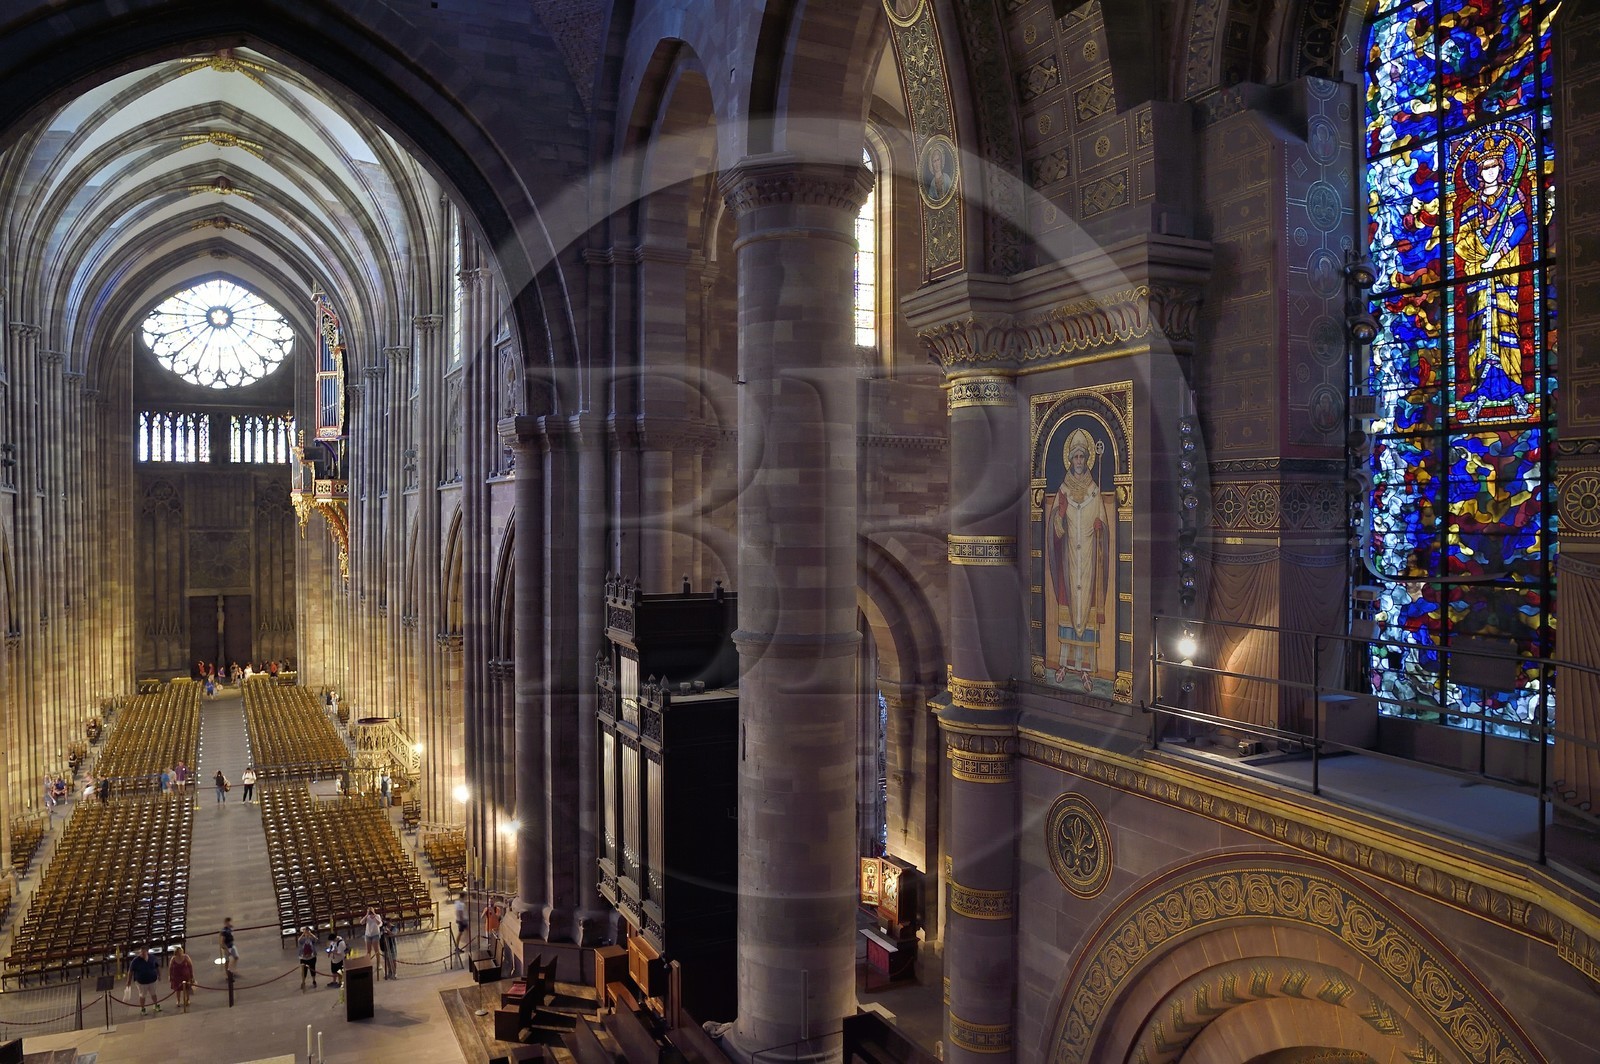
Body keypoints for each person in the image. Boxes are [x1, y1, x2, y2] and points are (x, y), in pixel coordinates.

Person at [1456, 128, 1533, 420]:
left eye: (1494, 167)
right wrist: (1481, 253)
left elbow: (1522, 227)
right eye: (1484, 168)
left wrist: (1499, 253)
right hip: (1478, 275)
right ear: (1478, 173)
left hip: (1502, 271)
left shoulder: (1510, 197)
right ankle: (1480, 391)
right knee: (1479, 333)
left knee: (1505, 328)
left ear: (1502, 169)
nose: (1489, 172)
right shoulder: (1468, 205)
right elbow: (1463, 240)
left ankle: (1514, 390)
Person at [1045, 427, 1115, 691]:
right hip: (1068, 563)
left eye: (1082, 458)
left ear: (1087, 460)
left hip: (1087, 561)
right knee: (1068, 609)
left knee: (1087, 611)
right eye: (1074, 457)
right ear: (1070, 460)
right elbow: (1056, 531)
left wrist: (1101, 528)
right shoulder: (1062, 491)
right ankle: (1063, 664)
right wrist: (1059, 517)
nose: (1078, 462)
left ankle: (1086, 670)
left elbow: (1104, 526)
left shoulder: (1095, 492)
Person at [127, 947, 161, 1014]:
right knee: (142, 995)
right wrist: (128, 981)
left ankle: (156, 1005)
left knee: (153, 993)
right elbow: (130, 971)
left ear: (147, 952)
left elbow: (157, 967)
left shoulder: (152, 958)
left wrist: (159, 975)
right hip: (141, 982)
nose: (142, 954)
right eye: (141, 952)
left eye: (143, 952)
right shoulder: (135, 961)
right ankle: (142, 1008)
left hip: (152, 980)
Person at [169, 944, 194, 1012]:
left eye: (180, 951)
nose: (180, 953)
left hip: (185, 976)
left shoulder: (186, 957)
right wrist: (170, 976)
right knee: (178, 990)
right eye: (178, 952)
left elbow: (190, 966)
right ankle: (178, 1000)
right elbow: (170, 968)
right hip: (177, 976)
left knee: (186, 988)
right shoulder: (173, 959)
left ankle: (187, 1000)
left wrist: (192, 975)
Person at [484, 899, 502, 963]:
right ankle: (489, 957)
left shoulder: (497, 909)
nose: (490, 903)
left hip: (495, 929)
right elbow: (482, 917)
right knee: (488, 944)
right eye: (489, 902)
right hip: (488, 928)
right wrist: (485, 912)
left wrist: (492, 910)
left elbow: (497, 917)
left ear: (493, 902)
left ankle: (496, 957)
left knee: (495, 943)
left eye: (491, 902)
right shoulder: (486, 909)